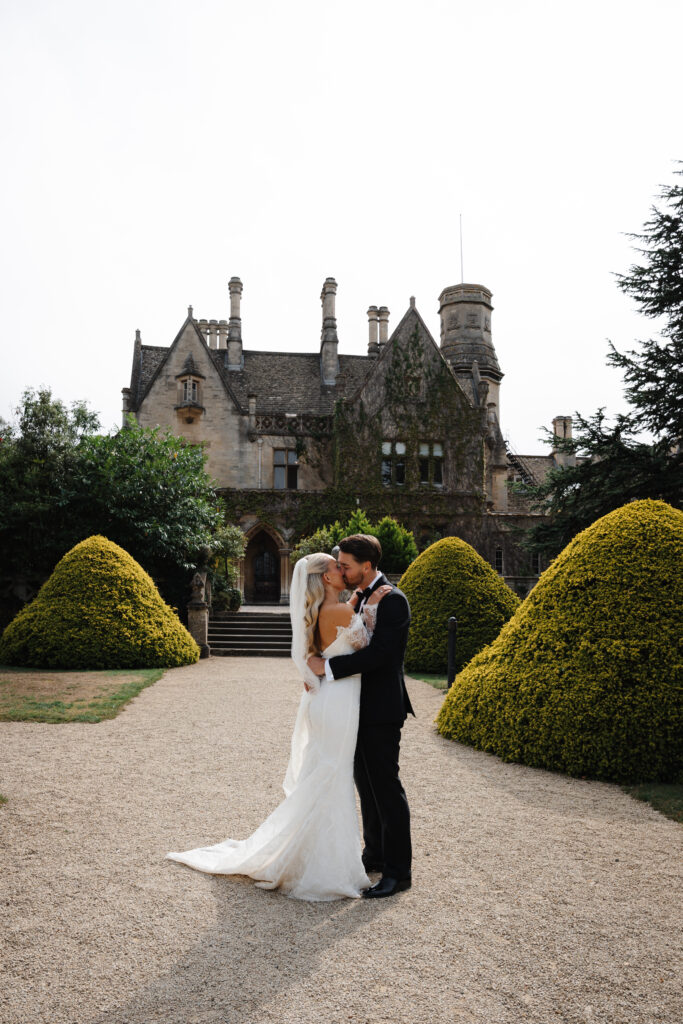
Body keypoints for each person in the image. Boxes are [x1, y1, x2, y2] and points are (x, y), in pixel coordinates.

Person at [166, 552, 389, 902]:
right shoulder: (340, 611)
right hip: (339, 700)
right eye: (336, 567)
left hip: (328, 698)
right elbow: (368, 644)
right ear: (326, 579)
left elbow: (333, 646)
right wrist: (372, 603)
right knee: (332, 776)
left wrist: (361, 599)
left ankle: (309, 856)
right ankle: (326, 868)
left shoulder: (322, 610)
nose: (341, 570)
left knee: (326, 774)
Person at [307, 534, 414, 899]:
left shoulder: (394, 601)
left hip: (382, 709)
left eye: (347, 565)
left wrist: (328, 668)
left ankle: (398, 874)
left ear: (366, 566)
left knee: (386, 788)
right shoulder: (361, 597)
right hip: (352, 707)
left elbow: (382, 656)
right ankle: (375, 855)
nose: (342, 569)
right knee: (364, 785)